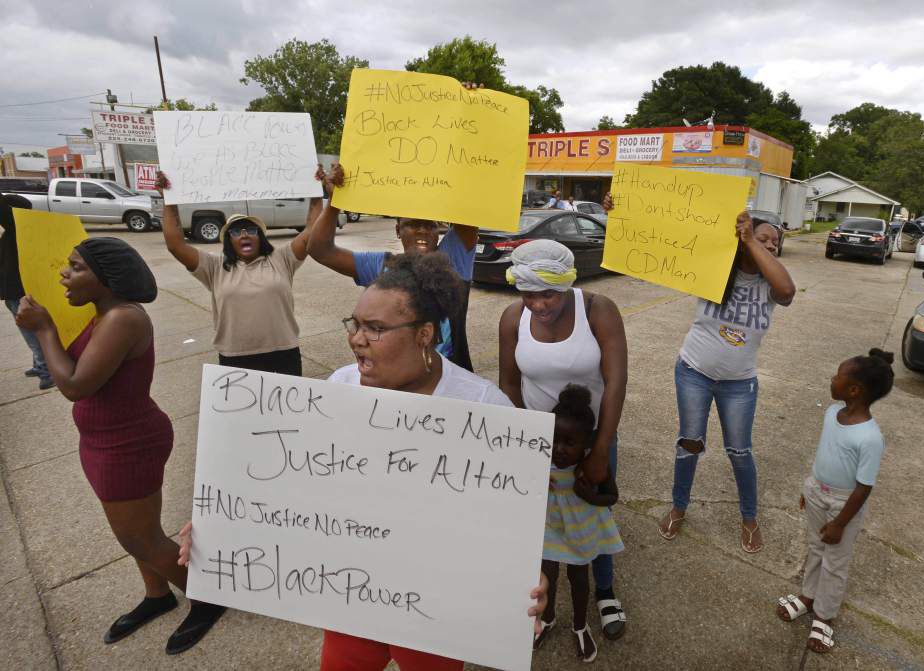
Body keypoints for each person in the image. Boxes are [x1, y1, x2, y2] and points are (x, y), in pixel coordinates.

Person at [179, 252, 548, 670]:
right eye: (355, 324)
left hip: (436, 609)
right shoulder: (339, 388)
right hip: (352, 594)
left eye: (376, 329)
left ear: (425, 333)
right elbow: (292, 484)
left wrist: (526, 575)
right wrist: (224, 527)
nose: (356, 339)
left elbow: (507, 519)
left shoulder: (483, 407)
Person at [14, 237, 225, 654]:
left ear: (106, 278)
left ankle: (209, 596)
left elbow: (74, 385)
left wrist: (43, 330)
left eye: (76, 267)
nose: (64, 274)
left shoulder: (123, 319)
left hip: (126, 445)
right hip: (106, 440)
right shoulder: (101, 314)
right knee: (139, 530)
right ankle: (157, 595)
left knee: (139, 538)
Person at [498, 239, 630, 641]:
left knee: (596, 514)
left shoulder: (598, 310)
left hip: (592, 437)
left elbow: (615, 380)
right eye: (529, 294)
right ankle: (542, 603)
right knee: (542, 524)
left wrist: (601, 449)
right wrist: (523, 441)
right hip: (540, 443)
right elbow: (508, 380)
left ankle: (605, 592)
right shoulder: (511, 317)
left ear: (568, 282)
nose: (539, 304)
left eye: (549, 294)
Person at [654, 210, 796, 553]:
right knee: (689, 443)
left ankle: (749, 518)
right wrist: (621, 211)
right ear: (740, 238)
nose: (771, 246)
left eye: (775, 242)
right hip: (693, 373)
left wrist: (753, 242)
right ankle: (678, 507)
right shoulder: (713, 269)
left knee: (739, 451)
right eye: (763, 238)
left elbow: (789, 292)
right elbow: (664, 235)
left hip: (739, 384)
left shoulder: (770, 283)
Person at [776, 349, 894, 654]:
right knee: (815, 547)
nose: (832, 379)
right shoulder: (831, 413)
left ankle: (825, 616)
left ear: (854, 389)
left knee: (835, 561)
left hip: (845, 504)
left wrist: (841, 523)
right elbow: (825, 455)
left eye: (837, 376)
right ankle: (808, 596)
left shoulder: (869, 437)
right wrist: (810, 488)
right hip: (817, 491)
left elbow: (864, 487)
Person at [306, 164, 478, 371]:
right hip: (393, 377)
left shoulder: (453, 259)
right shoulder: (381, 265)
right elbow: (320, 250)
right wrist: (335, 202)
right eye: (412, 224)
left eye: (430, 225)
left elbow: (471, 206)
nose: (422, 230)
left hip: (448, 380)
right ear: (398, 230)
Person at [157, 169, 321, 375]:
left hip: (283, 352)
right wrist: (169, 201)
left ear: (260, 236)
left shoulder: (282, 259)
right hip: (235, 357)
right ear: (229, 240)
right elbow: (175, 245)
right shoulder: (214, 267)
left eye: (251, 230)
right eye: (236, 231)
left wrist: (316, 192)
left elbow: (312, 231)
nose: (244, 235)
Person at [534, 384, 623, 663]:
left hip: (580, 532)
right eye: (554, 439)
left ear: (586, 444)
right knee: (547, 577)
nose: (559, 449)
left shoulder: (591, 465)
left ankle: (580, 625)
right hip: (548, 529)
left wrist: (587, 494)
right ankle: (547, 619)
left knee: (579, 579)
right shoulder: (539, 461)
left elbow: (613, 496)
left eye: (569, 443)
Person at [0, 194, 53, 389]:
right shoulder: (14, 232)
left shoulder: (16, 228)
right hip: (13, 291)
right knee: (28, 330)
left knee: (31, 332)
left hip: (19, 291)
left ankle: (46, 369)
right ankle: (39, 364)